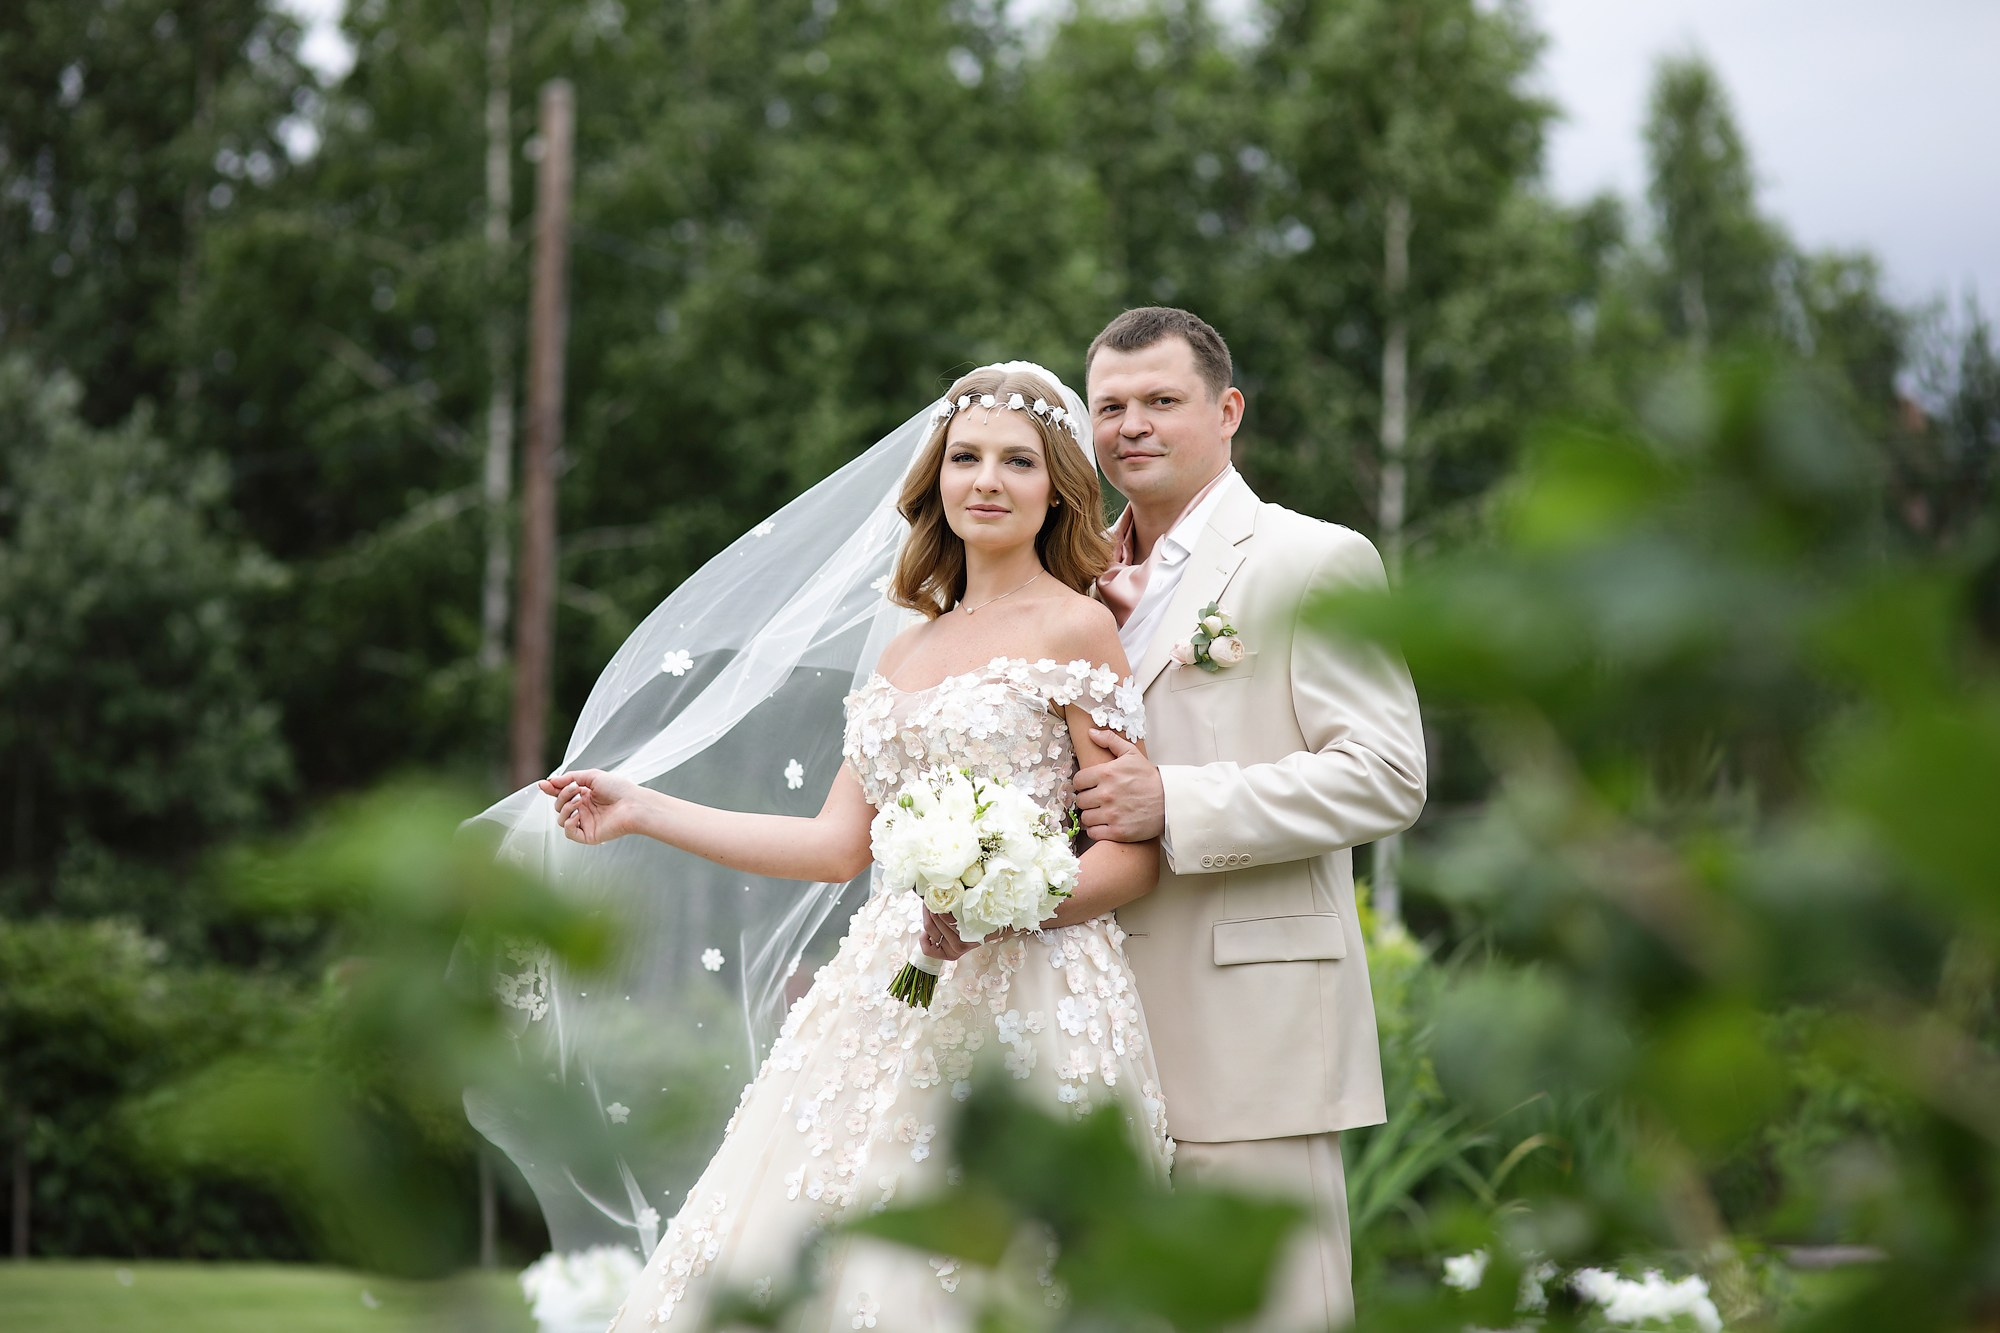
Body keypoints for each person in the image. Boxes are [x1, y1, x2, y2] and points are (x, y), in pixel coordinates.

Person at [538, 363, 1174, 1332]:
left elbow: (1131, 856)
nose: (986, 480)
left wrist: (1010, 907)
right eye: (965, 457)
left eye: (1017, 461)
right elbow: (836, 846)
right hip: (889, 985)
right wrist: (643, 808)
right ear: (936, 478)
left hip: (1035, 992)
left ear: (1056, 487)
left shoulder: (1077, 628)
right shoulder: (902, 652)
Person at [1072, 307, 1427, 1328]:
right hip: (1086, 1026)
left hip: (1251, 1030)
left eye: (1160, 401)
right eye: (1110, 406)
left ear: (1227, 411)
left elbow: (1385, 775)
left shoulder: (1312, 559)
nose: (1132, 425)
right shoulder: (1068, 579)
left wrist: (1173, 800)